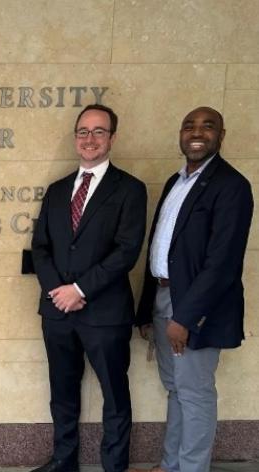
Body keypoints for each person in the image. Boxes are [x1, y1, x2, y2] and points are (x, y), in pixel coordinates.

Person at [30, 104, 147, 472]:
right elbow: (41, 248)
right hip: (57, 312)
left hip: (105, 313)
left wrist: (79, 289)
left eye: (99, 131)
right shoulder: (57, 190)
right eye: (83, 131)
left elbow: (126, 251)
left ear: (112, 138)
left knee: (114, 394)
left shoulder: (130, 189)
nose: (90, 138)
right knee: (62, 392)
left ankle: (114, 465)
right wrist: (59, 291)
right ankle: (64, 461)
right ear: (75, 137)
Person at [135, 107, 253, 472]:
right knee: (176, 389)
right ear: (181, 134)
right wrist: (146, 309)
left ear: (221, 135)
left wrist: (185, 317)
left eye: (207, 126)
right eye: (189, 126)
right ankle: (171, 465)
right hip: (163, 298)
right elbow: (159, 247)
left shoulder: (231, 186)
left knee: (195, 393)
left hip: (194, 308)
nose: (197, 132)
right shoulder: (176, 181)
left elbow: (222, 262)